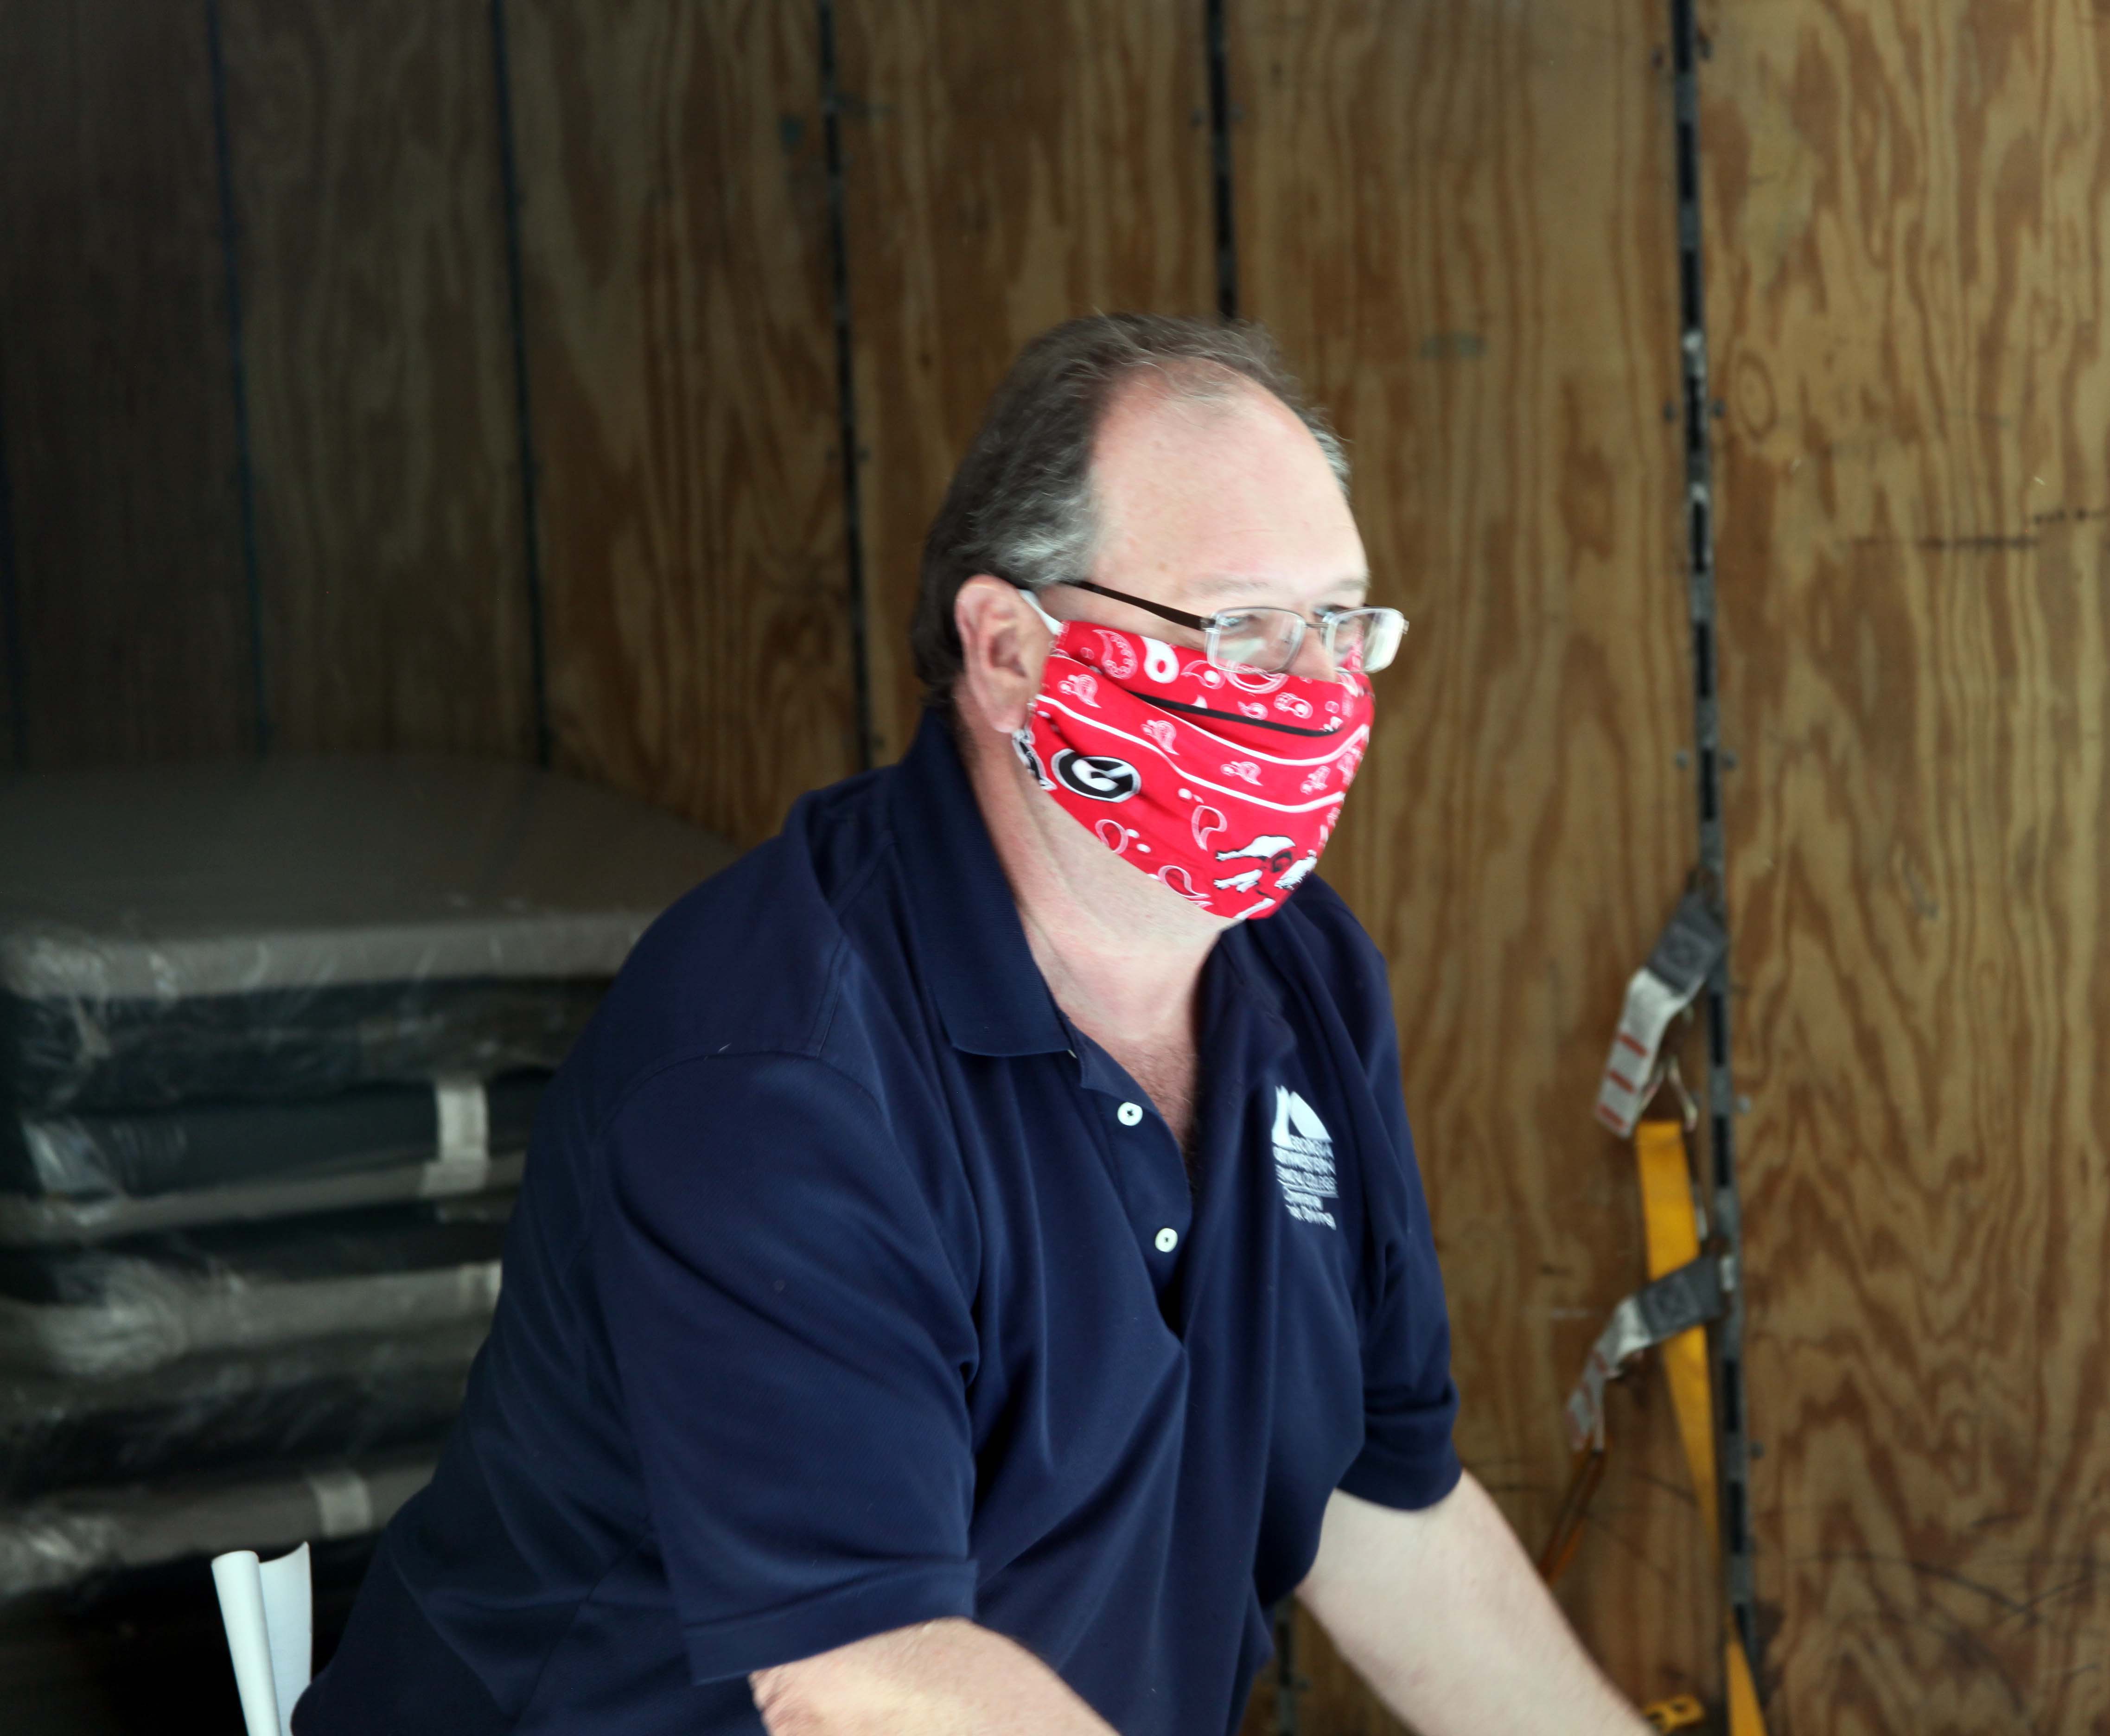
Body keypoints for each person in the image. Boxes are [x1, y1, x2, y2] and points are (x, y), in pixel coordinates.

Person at [299, 314, 1647, 1736]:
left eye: (1344, 621)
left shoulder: (1302, 983)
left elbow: (1387, 1518)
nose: (1316, 691)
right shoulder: (783, 1058)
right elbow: (868, 1679)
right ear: (1009, 651)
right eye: (1243, 627)